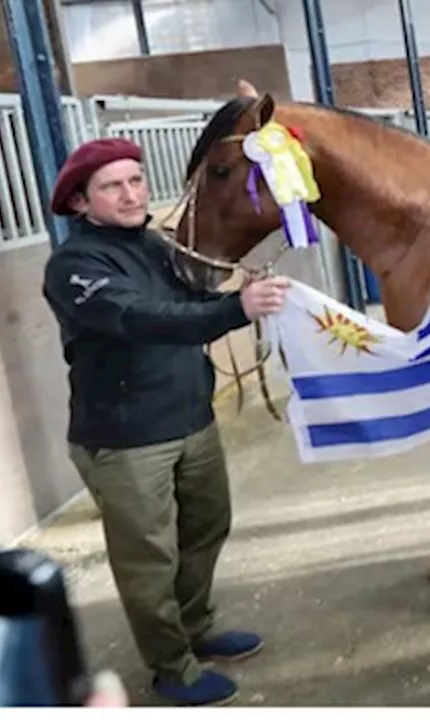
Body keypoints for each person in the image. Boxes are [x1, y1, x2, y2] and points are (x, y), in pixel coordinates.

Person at [40, 137, 291, 706]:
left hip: (190, 419)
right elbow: (139, 317)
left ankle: (197, 630)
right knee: (148, 558)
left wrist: (239, 284)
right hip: (126, 438)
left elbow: (192, 298)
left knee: (206, 528)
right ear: (80, 203)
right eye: (112, 186)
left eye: (136, 180)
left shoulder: (155, 244)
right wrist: (234, 310)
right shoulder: (75, 266)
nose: (131, 194)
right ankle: (171, 665)